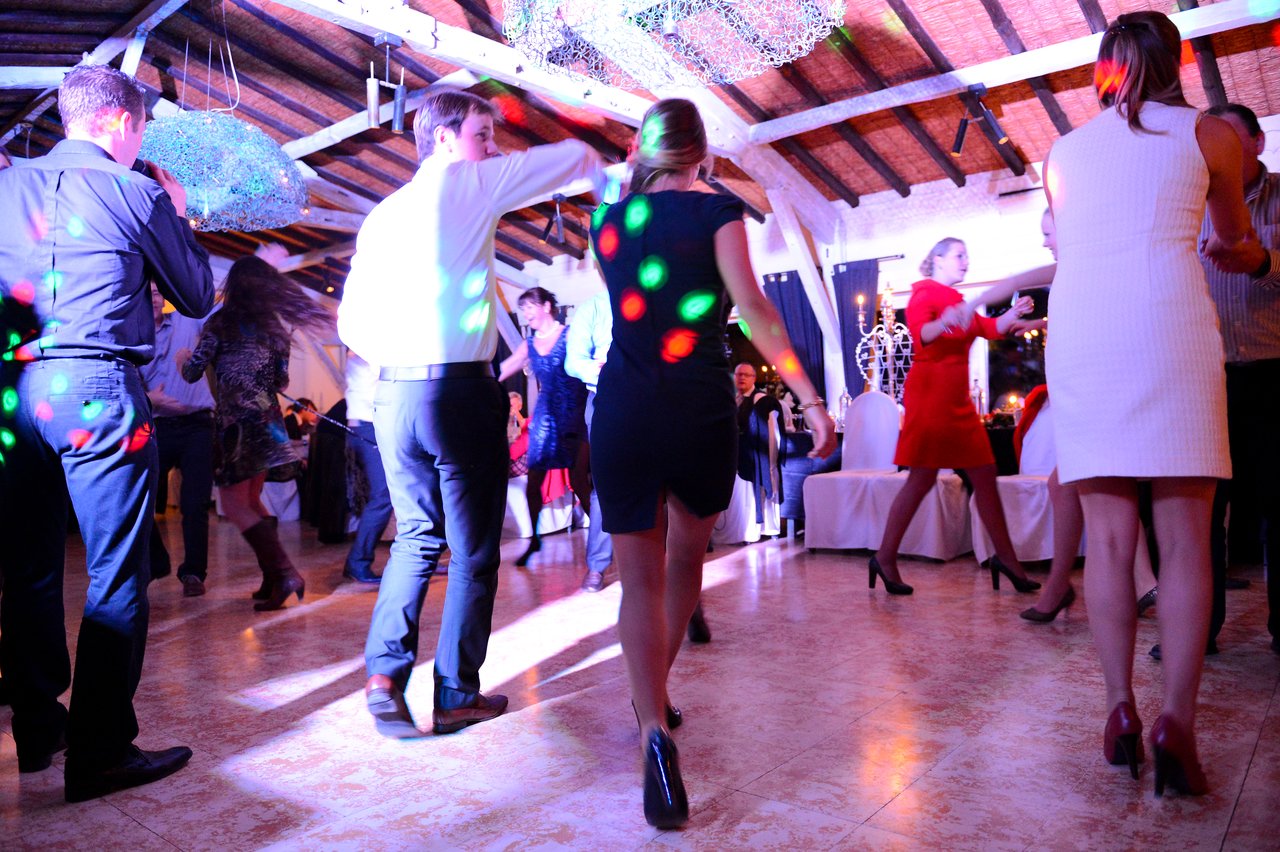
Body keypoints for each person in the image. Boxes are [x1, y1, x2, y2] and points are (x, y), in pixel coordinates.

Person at [589, 98, 835, 828]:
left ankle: (654, 730)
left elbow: (635, 305)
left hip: (624, 406)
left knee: (636, 581)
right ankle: (651, 709)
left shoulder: (606, 223)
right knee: (684, 569)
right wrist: (811, 398)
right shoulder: (718, 211)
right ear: (702, 152)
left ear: (644, 149)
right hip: (696, 403)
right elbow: (753, 310)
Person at [338, 88, 603, 738]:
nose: (493, 148)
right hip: (457, 394)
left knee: (416, 539)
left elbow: (348, 322)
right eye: (485, 134)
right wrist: (594, 149)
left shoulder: (382, 215)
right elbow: (572, 156)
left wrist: (405, 358)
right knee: (475, 550)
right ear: (448, 138)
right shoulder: (465, 182)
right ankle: (455, 693)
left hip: (393, 396)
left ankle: (382, 678)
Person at [1043, 11, 1258, 796]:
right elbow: (1234, 239)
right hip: (1169, 324)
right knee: (1185, 537)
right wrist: (1245, 249)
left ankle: (1119, 708)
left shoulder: (1062, 151)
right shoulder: (1211, 135)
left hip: (1082, 332)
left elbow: (1068, 239)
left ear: (1106, 67)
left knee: (1107, 540)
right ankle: (1177, 721)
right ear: (1178, 62)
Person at [0, 64, 212, 801]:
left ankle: (37, 730)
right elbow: (195, 293)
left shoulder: (6, 187)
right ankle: (100, 751)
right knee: (116, 571)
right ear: (123, 123)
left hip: (12, 391)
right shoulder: (138, 190)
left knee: (27, 568)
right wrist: (177, 213)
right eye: (144, 126)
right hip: (95, 389)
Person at [964, 210, 1158, 623]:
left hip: (1096, 395)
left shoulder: (1085, 264)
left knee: (1085, 487)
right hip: (1087, 395)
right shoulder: (1090, 274)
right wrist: (1031, 322)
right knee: (1074, 486)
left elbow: (1026, 283)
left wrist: (982, 299)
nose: (1046, 241)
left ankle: (1081, 587)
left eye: (1049, 233)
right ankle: (1120, 585)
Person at [870, 238, 1043, 596]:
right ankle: (885, 557)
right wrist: (947, 321)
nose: (966, 261)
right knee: (920, 480)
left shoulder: (958, 301)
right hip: (931, 398)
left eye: (967, 255)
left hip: (958, 404)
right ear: (938, 259)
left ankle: (1007, 559)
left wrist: (1016, 314)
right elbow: (922, 337)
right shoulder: (923, 295)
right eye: (959, 255)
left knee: (986, 477)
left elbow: (989, 329)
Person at [180, 251, 332, 611]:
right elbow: (281, 380)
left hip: (238, 426)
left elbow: (191, 372)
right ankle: (271, 580)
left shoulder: (220, 324)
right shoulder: (275, 329)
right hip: (271, 425)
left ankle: (285, 574)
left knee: (234, 505)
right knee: (251, 501)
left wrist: (182, 359)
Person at [1198, 103, 1280, 659]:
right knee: (1201, 513)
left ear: (1255, 142)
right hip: (1206, 378)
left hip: (1276, 373)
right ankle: (1197, 630)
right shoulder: (1189, 204)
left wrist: (1262, 262)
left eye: (1227, 139)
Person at [498, 287, 591, 567]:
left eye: (529, 307)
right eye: (522, 308)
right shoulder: (528, 343)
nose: (526, 313)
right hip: (545, 418)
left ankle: (602, 540)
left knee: (579, 481)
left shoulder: (570, 334)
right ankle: (534, 540)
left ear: (547, 307)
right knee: (534, 482)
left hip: (575, 414)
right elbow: (504, 368)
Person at [143, 282, 216, 597]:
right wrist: (150, 399)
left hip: (198, 425)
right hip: (156, 425)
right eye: (148, 292)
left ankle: (194, 573)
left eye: (159, 291)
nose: (155, 297)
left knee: (195, 503)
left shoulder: (186, 320)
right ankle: (156, 561)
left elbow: (217, 307)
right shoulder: (132, 336)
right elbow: (122, 376)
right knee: (138, 500)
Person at [564, 289, 614, 592]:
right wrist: (603, 368)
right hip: (605, 398)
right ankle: (597, 566)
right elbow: (574, 362)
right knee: (606, 485)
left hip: (655, 399)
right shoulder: (592, 308)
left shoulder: (654, 295)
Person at [342, 351, 390, 584]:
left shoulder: (365, 348)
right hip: (368, 425)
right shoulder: (368, 350)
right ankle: (358, 562)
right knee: (383, 496)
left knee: (388, 494)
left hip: (366, 425)